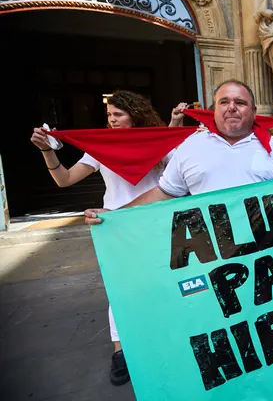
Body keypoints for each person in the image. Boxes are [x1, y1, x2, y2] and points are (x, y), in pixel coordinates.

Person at [30, 91, 182, 386]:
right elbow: (64, 180)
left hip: (155, 223)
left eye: (118, 114)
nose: (112, 120)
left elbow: (177, 172)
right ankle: (120, 351)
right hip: (114, 225)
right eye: (109, 115)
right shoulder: (99, 149)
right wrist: (48, 150)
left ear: (135, 115)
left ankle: (166, 341)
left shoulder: (156, 141)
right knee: (120, 290)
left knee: (163, 282)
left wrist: (176, 127)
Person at [84, 80, 273, 218]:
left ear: (253, 110)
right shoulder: (192, 146)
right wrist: (116, 214)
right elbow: (164, 192)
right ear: (214, 110)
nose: (231, 108)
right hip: (211, 255)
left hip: (268, 251)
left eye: (240, 103)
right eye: (224, 102)